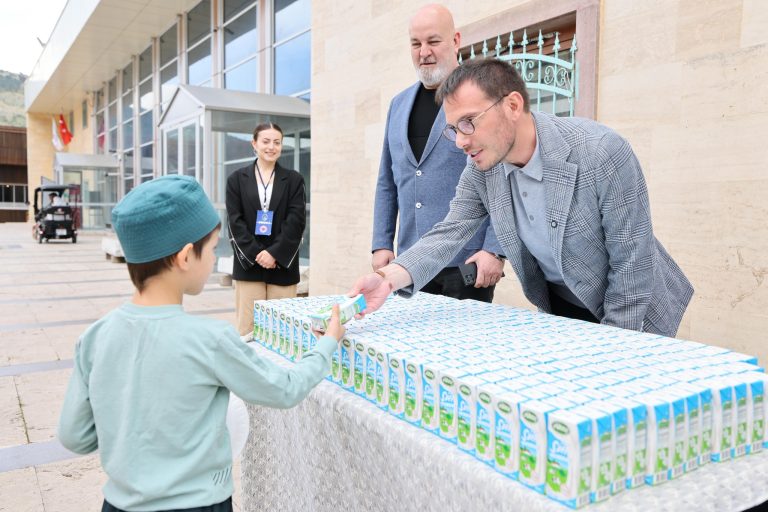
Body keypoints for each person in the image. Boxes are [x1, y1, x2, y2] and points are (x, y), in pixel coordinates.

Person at [58, 175, 344, 512]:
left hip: (119, 504)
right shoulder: (210, 340)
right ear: (184, 257)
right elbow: (283, 389)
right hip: (199, 505)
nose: (213, 259)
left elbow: (74, 436)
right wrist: (327, 345)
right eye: (211, 248)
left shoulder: (95, 337)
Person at [351, 59, 694, 337]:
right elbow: (448, 234)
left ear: (513, 105)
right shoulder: (482, 171)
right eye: (454, 128)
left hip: (636, 313)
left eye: (469, 122)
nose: (460, 141)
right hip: (561, 310)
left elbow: (632, 267)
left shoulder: (601, 152)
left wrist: (613, 350)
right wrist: (386, 280)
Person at [371, 4, 504, 302]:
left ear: (455, 40)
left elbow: (502, 176)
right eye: (416, 44)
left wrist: (495, 248)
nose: (424, 52)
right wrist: (381, 242)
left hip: (467, 262)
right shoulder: (398, 104)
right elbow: (387, 181)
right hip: (409, 262)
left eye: (433, 41)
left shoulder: (481, 96)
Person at [226, 123, 306, 335]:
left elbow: (296, 221)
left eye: (277, 142)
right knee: (248, 329)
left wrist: (274, 254)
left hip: (282, 263)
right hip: (249, 264)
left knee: (282, 330)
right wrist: (256, 254)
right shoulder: (236, 179)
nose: (272, 146)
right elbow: (235, 221)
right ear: (254, 144)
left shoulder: (294, 180)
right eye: (266, 141)